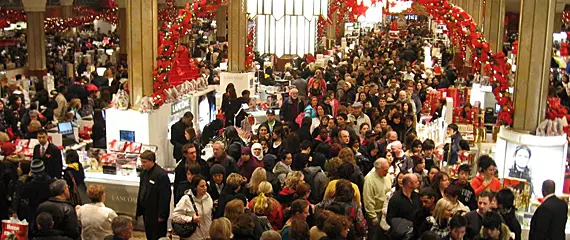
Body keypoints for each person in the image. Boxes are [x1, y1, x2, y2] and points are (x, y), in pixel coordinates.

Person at [136, 150, 172, 240]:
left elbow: (165, 197)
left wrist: (162, 215)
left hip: (156, 213)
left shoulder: (161, 175)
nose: (142, 164)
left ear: (152, 161)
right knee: (149, 235)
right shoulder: (143, 172)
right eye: (141, 161)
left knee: (157, 236)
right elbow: (142, 189)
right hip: (146, 211)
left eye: (144, 162)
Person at [172, 175, 214, 240]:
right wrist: (191, 219)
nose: (205, 188)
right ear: (195, 187)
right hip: (193, 236)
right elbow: (175, 216)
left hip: (207, 236)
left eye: (205, 185)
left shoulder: (208, 197)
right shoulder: (186, 199)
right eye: (202, 186)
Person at [363, 158, 393, 239]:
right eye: (385, 170)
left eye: (387, 169)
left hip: (385, 213)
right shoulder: (369, 179)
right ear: (378, 169)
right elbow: (368, 200)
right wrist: (373, 217)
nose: (387, 172)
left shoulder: (388, 176)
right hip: (375, 214)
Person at [386, 173, 421, 238]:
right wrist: (403, 226)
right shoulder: (395, 199)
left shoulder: (417, 196)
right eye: (416, 182)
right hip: (402, 234)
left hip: (416, 232)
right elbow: (390, 218)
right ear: (409, 184)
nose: (418, 183)